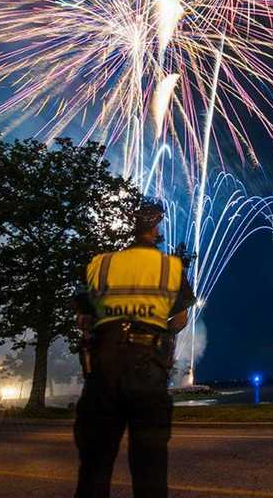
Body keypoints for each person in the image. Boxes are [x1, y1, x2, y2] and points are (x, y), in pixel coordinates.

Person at [73, 200, 196, 498]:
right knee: (150, 468)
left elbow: (83, 318)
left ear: (131, 226)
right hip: (148, 367)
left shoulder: (100, 264)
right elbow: (180, 317)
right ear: (156, 229)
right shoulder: (170, 267)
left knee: (94, 466)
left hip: (103, 367)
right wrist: (157, 333)